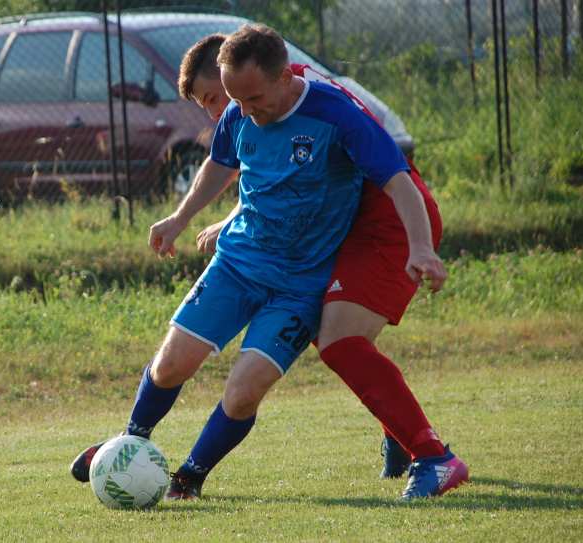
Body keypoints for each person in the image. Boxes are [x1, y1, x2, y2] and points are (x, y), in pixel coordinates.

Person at [71, 24, 468, 501]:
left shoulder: (333, 114)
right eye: (232, 100)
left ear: (285, 76)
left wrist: (421, 248)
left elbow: (398, 181)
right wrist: (180, 218)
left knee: (247, 389)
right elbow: (223, 162)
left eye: (252, 98)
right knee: (170, 365)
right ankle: (128, 443)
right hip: (239, 263)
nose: (244, 112)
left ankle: (189, 479)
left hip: (302, 281)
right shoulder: (241, 110)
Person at [181, 32, 464, 490]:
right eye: (216, 104)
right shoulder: (271, 98)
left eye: (220, 98)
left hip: (388, 221)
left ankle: (434, 457)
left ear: (270, 77)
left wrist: (421, 247)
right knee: (322, 325)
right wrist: (233, 217)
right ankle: (400, 428)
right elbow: (274, 175)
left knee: (339, 340)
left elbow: (397, 179)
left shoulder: (322, 105)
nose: (224, 114)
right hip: (345, 221)